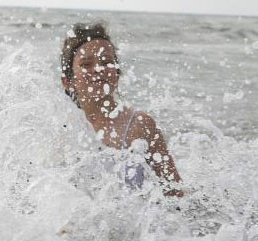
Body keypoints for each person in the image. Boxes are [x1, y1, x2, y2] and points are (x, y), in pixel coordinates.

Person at [60, 22, 183, 196]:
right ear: (68, 81)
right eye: (86, 64)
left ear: (117, 74)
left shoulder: (140, 124)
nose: (98, 69)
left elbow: (175, 194)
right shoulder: (62, 129)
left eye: (107, 62)